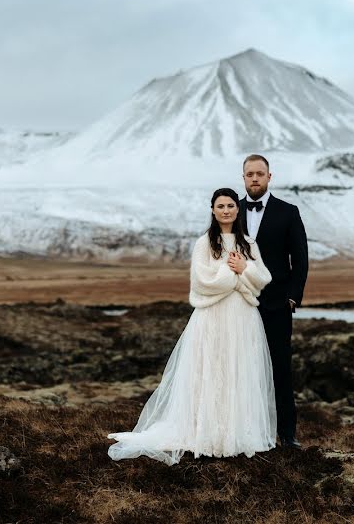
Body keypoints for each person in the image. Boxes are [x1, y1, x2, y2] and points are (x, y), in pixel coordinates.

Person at [107, 188, 276, 465]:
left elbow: (263, 278)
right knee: (209, 370)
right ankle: (206, 432)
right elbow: (203, 282)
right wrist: (232, 273)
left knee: (237, 370)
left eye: (231, 205)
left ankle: (234, 433)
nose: (226, 210)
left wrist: (244, 267)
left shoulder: (248, 243)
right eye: (220, 206)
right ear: (212, 210)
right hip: (212, 316)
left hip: (242, 317)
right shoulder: (204, 244)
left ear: (238, 208)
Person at [240, 154, 308, 449]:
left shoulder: (288, 212)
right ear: (243, 178)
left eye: (259, 173)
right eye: (249, 174)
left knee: (280, 368)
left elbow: (301, 258)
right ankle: (244, 431)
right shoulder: (230, 211)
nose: (254, 178)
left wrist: (293, 297)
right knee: (240, 368)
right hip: (238, 303)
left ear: (269, 177)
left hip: (277, 303)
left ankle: (288, 434)